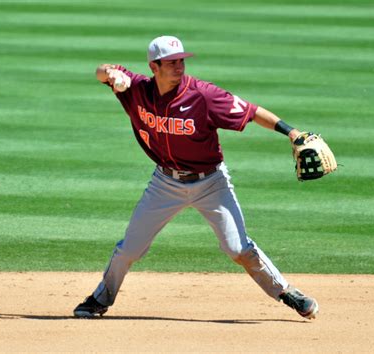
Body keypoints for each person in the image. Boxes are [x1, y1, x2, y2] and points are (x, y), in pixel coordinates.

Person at [74, 35, 318, 319]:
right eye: (172, 62)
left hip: (211, 183)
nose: (179, 67)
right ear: (154, 66)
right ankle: (100, 299)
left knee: (237, 248)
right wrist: (112, 74)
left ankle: (287, 292)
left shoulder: (203, 94)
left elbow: (251, 112)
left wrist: (291, 132)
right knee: (129, 249)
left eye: (181, 61)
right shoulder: (136, 88)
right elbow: (100, 71)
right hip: (164, 183)